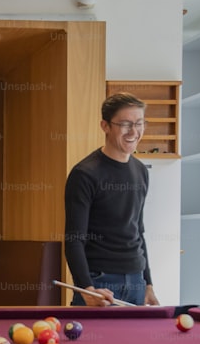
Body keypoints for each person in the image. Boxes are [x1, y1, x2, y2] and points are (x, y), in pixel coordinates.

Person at [64, 92, 160, 307]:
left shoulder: (141, 171)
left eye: (139, 123)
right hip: (99, 281)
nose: (133, 132)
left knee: (132, 342)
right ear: (105, 126)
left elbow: (138, 231)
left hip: (136, 279)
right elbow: (74, 239)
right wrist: (86, 287)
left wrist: (148, 284)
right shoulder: (85, 174)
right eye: (125, 124)